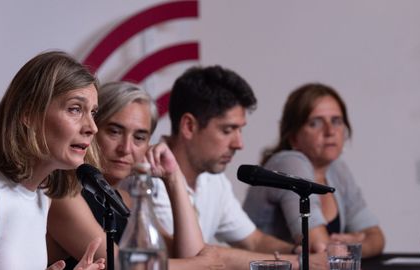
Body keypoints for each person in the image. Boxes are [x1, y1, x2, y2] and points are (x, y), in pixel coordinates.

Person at [152, 65, 328, 270]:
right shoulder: (149, 178)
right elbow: (194, 258)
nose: (239, 144)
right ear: (189, 126)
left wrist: (300, 252)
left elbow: (254, 241)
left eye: (240, 130)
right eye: (228, 130)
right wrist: (300, 263)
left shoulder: (214, 179)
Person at [47, 81, 224, 269]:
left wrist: (173, 177)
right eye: (114, 132)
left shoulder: (126, 199)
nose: (126, 148)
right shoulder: (63, 194)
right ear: (93, 129)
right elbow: (122, 266)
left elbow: (189, 254)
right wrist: (202, 265)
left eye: (139, 137)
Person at [0, 51, 105, 269]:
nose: (92, 127)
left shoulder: (42, 195)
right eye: (75, 109)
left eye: (92, 113)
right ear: (28, 114)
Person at [243, 83, 385, 258]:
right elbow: (318, 247)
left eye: (336, 121)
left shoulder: (337, 169)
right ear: (294, 137)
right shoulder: (289, 163)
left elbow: (377, 238)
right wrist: (354, 244)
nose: (330, 131)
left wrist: (347, 248)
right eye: (315, 123)